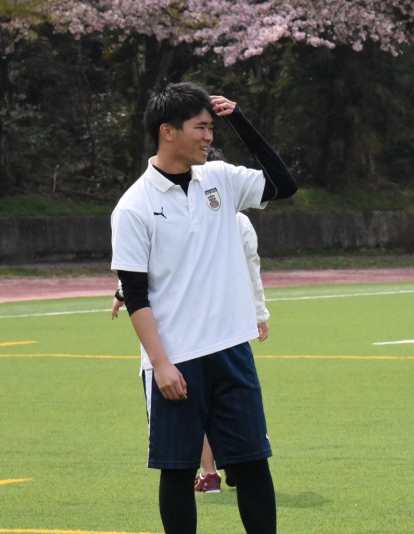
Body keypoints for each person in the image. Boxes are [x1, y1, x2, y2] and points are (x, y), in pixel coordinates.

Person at [110, 82, 297, 534]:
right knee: (177, 470)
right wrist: (161, 364)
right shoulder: (134, 206)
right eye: (202, 127)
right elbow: (135, 293)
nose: (210, 137)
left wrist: (240, 120)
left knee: (252, 464)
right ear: (168, 131)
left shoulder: (220, 179)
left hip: (232, 350)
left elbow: (283, 184)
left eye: (213, 127)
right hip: (177, 360)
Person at [112, 210, 272, 494]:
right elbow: (251, 267)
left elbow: (154, 260)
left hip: (181, 335)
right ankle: (230, 462)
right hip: (225, 333)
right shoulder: (235, 219)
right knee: (225, 411)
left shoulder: (171, 212)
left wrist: (122, 291)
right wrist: (259, 312)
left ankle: (210, 472)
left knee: (191, 413)